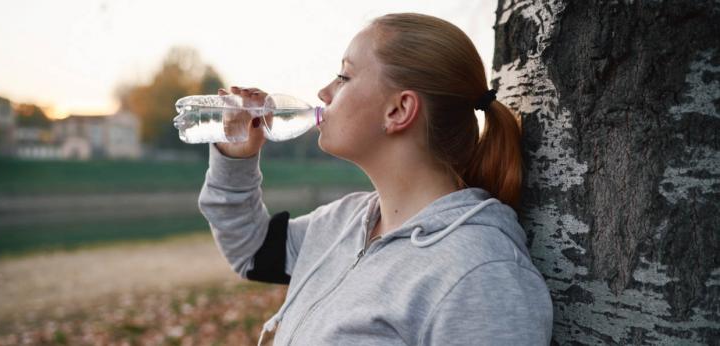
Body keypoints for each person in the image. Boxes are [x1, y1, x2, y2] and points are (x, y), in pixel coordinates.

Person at [198, 12, 553, 346]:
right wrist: (236, 158)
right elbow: (253, 251)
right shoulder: (346, 221)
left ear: (398, 110)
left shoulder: (482, 277)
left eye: (344, 77)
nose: (324, 92)